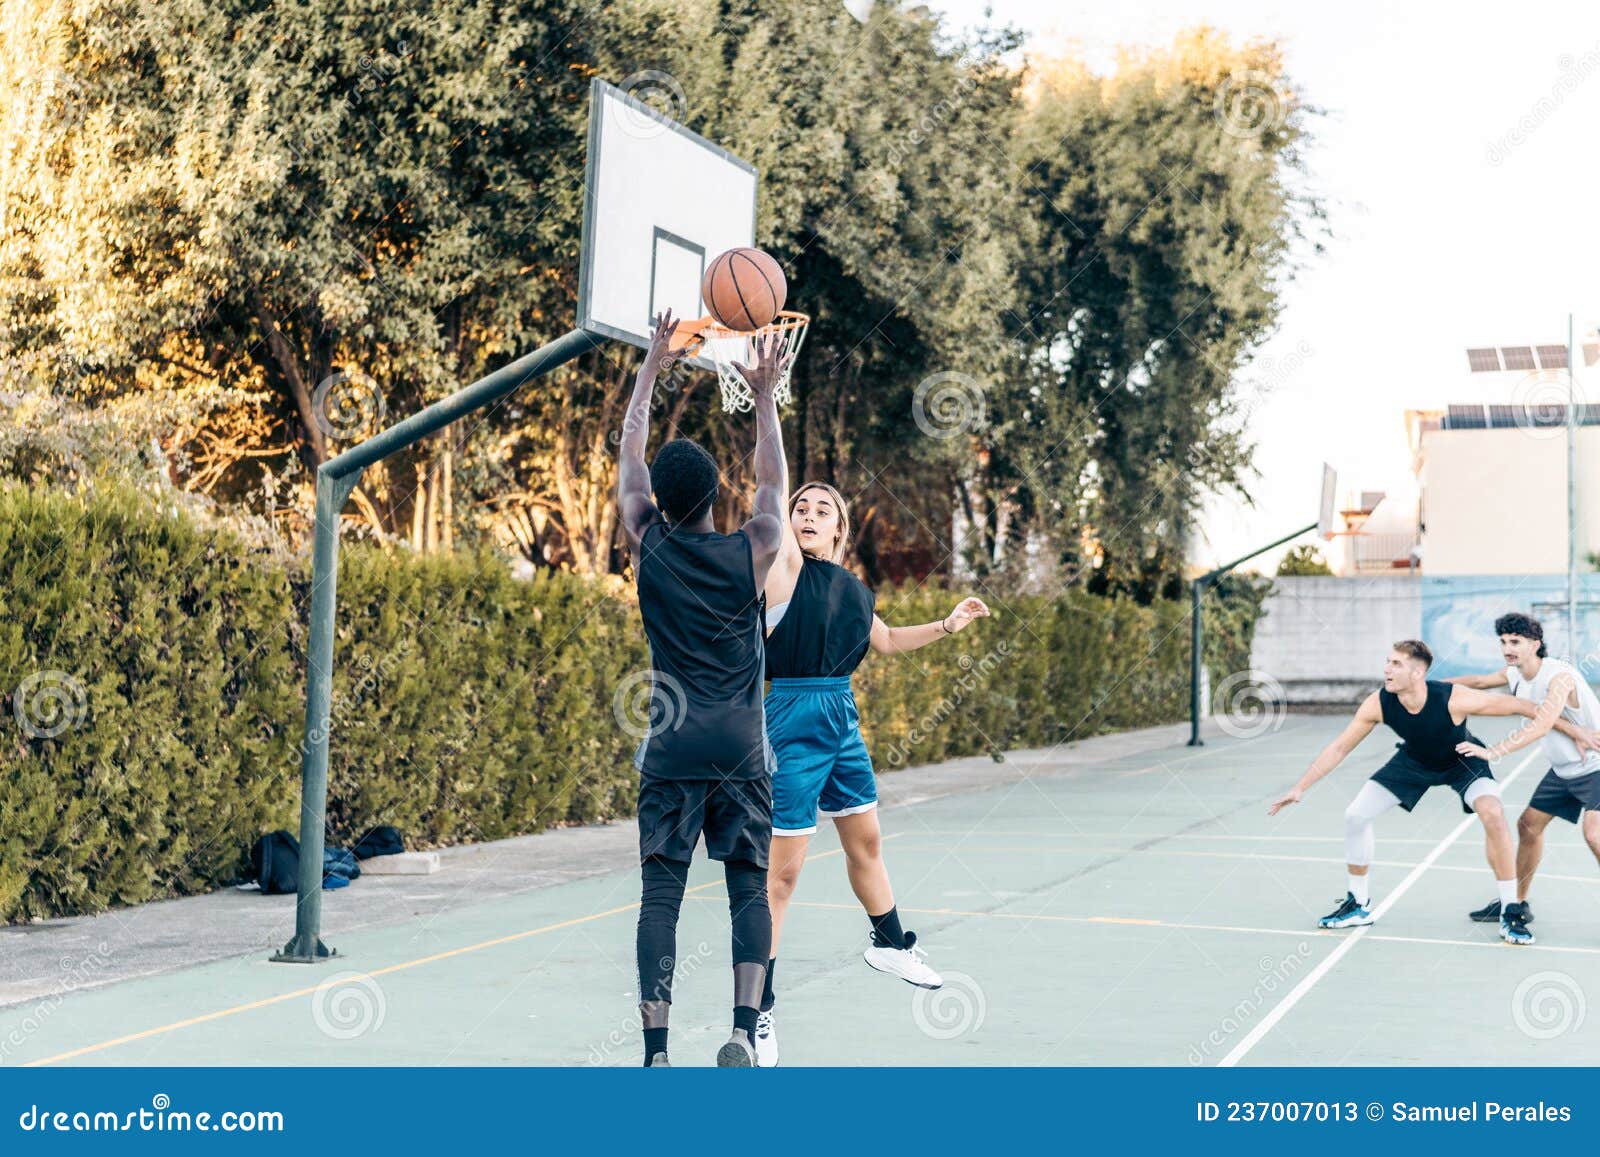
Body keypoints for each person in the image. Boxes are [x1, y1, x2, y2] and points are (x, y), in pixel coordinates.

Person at [753, 479, 990, 1066]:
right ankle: (757, 1008)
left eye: (821, 510)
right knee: (782, 877)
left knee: (869, 843)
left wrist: (947, 626)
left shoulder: (855, 590)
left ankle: (888, 944)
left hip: (841, 718)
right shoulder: (781, 575)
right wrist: (763, 401)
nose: (807, 516)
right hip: (789, 718)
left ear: (840, 529)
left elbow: (883, 640)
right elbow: (771, 487)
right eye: (799, 509)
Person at [615, 310, 790, 1067]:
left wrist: (652, 363)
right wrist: (766, 393)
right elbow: (774, 483)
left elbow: (628, 452)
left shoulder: (646, 541)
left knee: (661, 898)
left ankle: (656, 1051)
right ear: (718, 496)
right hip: (741, 748)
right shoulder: (750, 550)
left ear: (661, 498)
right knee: (748, 891)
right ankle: (743, 1031)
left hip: (672, 748)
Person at [1265, 639, 1598, 946]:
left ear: (1417, 671)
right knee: (1355, 815)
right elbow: (1340, 747)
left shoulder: (1452, 697)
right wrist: (1300, 787)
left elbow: (1522, 707)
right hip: (1413, 762)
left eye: (1396, 664)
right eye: (1387, 662)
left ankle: (1511, 910)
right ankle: (1358, 904)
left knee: (1493, 813)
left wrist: (1573, 729)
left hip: (1462, 759)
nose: (1387, 669)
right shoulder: (1379, 703)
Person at [1448, 613, 1600, 941]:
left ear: (1535, 644)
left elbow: (1542, 722)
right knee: (1528, 827)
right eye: (1503, 641)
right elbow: (1476, 683)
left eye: (1515, 641)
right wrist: (1425, 686)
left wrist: (1494, 751)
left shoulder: (1559, 677)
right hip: (1565, 771)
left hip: (1596, 765)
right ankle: (1515, 903)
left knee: (1595, 834)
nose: (1507, 647)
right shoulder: (1514, 674)